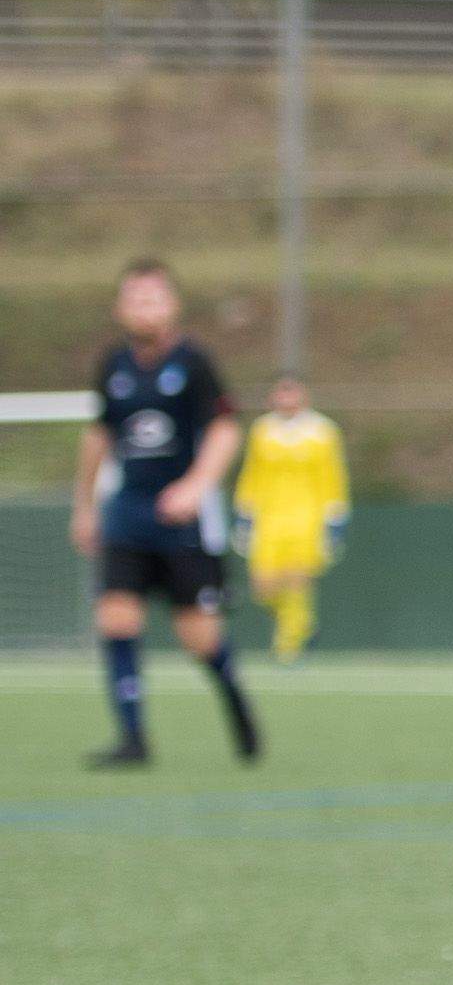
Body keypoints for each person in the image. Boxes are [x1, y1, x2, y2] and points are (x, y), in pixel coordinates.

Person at [69, 260, 259, 768]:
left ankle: (234, 694)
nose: (143, 308)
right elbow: (99, 436)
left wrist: (195, 486)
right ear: (119, 308)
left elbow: (225, 430)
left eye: (153, 298)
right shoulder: (113, 365)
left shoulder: (194, 362)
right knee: (115, 617)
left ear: (172, 306)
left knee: (198, 637)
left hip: (180, 523)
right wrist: (84, 505)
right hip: (127, 515)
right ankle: (133, 739)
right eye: (134, 299)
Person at [234, 374, 351, 663]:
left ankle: (289, 646)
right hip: (269, 518)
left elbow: (333, 476)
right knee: (264, 588)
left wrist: (335, 518)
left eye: (292, 393)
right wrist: (245, 514)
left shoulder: (322, 431)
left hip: (307, 518)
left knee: (298, 582)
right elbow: (252, 474)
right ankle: (303, 625)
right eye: (281, 394)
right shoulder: (262, 431)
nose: (286, 400)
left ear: (304, 396)